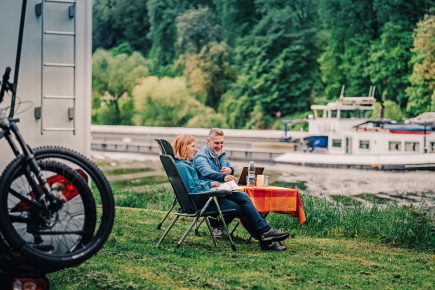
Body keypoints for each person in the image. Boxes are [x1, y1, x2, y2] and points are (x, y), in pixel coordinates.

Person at [173, 134, 289, 251]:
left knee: (242, 196)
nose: (195, 149)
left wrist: (210, 184)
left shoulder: (183, 164)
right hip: (200, 202)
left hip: (200, 198)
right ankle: (266, 238)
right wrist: (213, 187)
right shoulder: (184, 167)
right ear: (184, 147)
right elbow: (193, 191)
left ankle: (266, 233)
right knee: (238, 207)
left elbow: (194, 184)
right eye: (193, 146)